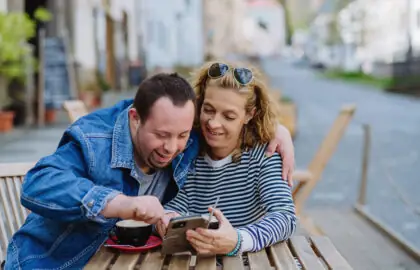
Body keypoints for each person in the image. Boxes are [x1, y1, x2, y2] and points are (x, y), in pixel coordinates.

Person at [4, 73, 294, 269]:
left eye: (182, 135)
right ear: (135, 118)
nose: (172, 147)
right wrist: (120, 204)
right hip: (53, 262)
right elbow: (37, 183)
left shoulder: (188, 132)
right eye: (161, 134)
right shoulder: (93, 140)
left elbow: (228, 109)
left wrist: (274, 130)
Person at [159, 62, 296, 255]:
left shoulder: (264, 154)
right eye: (208, 110)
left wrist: (238, 240)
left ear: (249, 114)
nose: (214, 123)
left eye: (229, 116)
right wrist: (167, 218)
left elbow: (284, 217)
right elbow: (177, 203)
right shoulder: (188, 151)